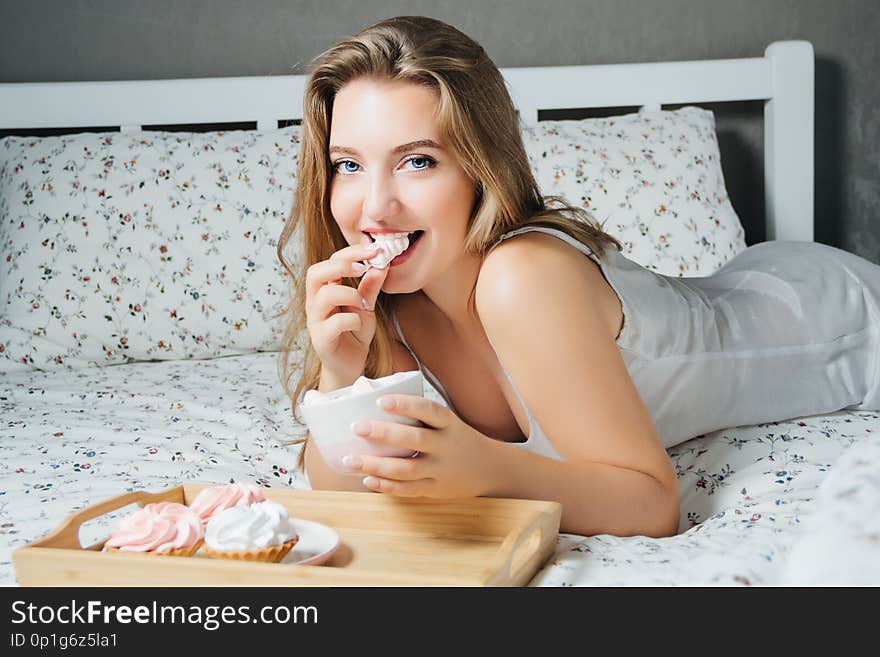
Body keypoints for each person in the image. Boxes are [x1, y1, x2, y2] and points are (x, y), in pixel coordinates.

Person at [276, 16, 880, 538]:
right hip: (743, 283)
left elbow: (653, 505)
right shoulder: (398, 301)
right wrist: (340, 373)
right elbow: (336, 498)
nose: (374, 207)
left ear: (480, 169)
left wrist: (489, 471)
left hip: (834, 318)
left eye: (417, 161)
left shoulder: (523, 275)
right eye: (348, 165)